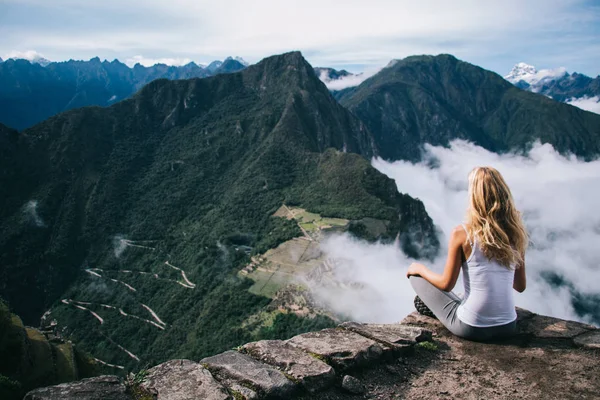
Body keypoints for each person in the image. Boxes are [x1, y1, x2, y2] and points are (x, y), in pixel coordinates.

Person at [407, 166, 528, 341]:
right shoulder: (516, 233)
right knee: (462, 295)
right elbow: (520, 286)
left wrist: (419, 269)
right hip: (508, 325)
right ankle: (464, 300)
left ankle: (453, 305)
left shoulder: (462, 234)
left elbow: (446, 284)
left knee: (416, 278)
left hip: (471, 327)